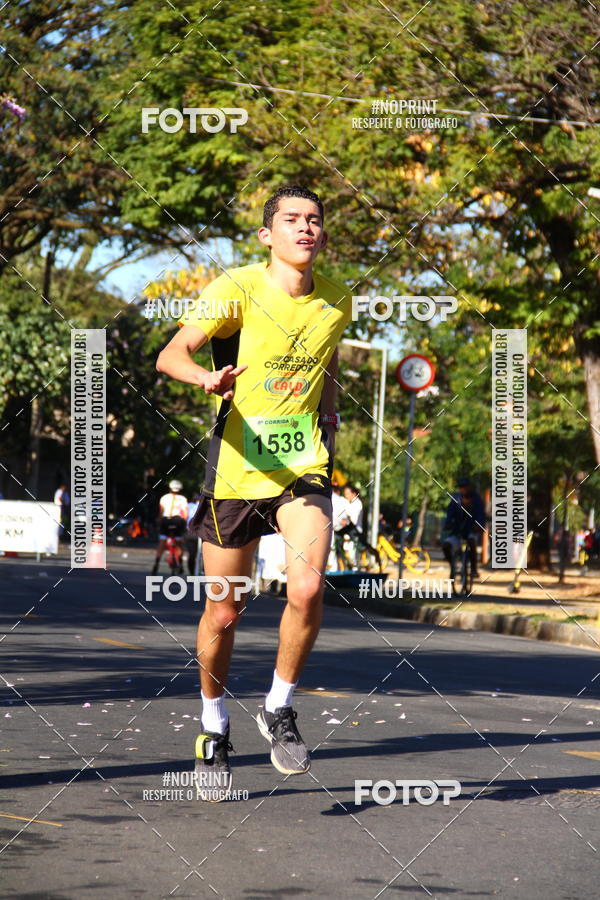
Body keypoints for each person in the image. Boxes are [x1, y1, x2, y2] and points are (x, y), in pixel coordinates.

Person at [156, 185, 352, 797]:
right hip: (237, 468)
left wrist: (329, 413)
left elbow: (325, 360)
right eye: (292, 219)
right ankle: (213, 726)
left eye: (314, 219)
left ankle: (278, 705)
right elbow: (171, 355)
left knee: (308, 587)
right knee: (224, 608)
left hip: (302, 463)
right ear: (267, 235)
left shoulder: (337, 298)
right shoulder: (237, 289)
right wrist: (206, 378)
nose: (305, 228)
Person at [441, 478, 485, 585]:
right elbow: (450, 513)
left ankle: (474, 569)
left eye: (465, 486)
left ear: (469, 487)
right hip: (457, 532)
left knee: (471, 542)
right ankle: (453, 565)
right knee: (446, 546)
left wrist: (479, 526)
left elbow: (480, 514)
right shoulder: (455, 498)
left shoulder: (476, 499)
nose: (463, 489)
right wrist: (448, 523)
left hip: (471, 530)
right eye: (461, 487)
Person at [151, 479, 188, 574]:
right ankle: (180, 564)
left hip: (166, 521)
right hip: (178, 521)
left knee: (162, 542)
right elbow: (185, 514)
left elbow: (161, 512)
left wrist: (159, 522)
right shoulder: (183, 499)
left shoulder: (164, 498)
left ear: (170, 488)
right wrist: (184, 525)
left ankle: (156, 563)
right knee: (179, 543)